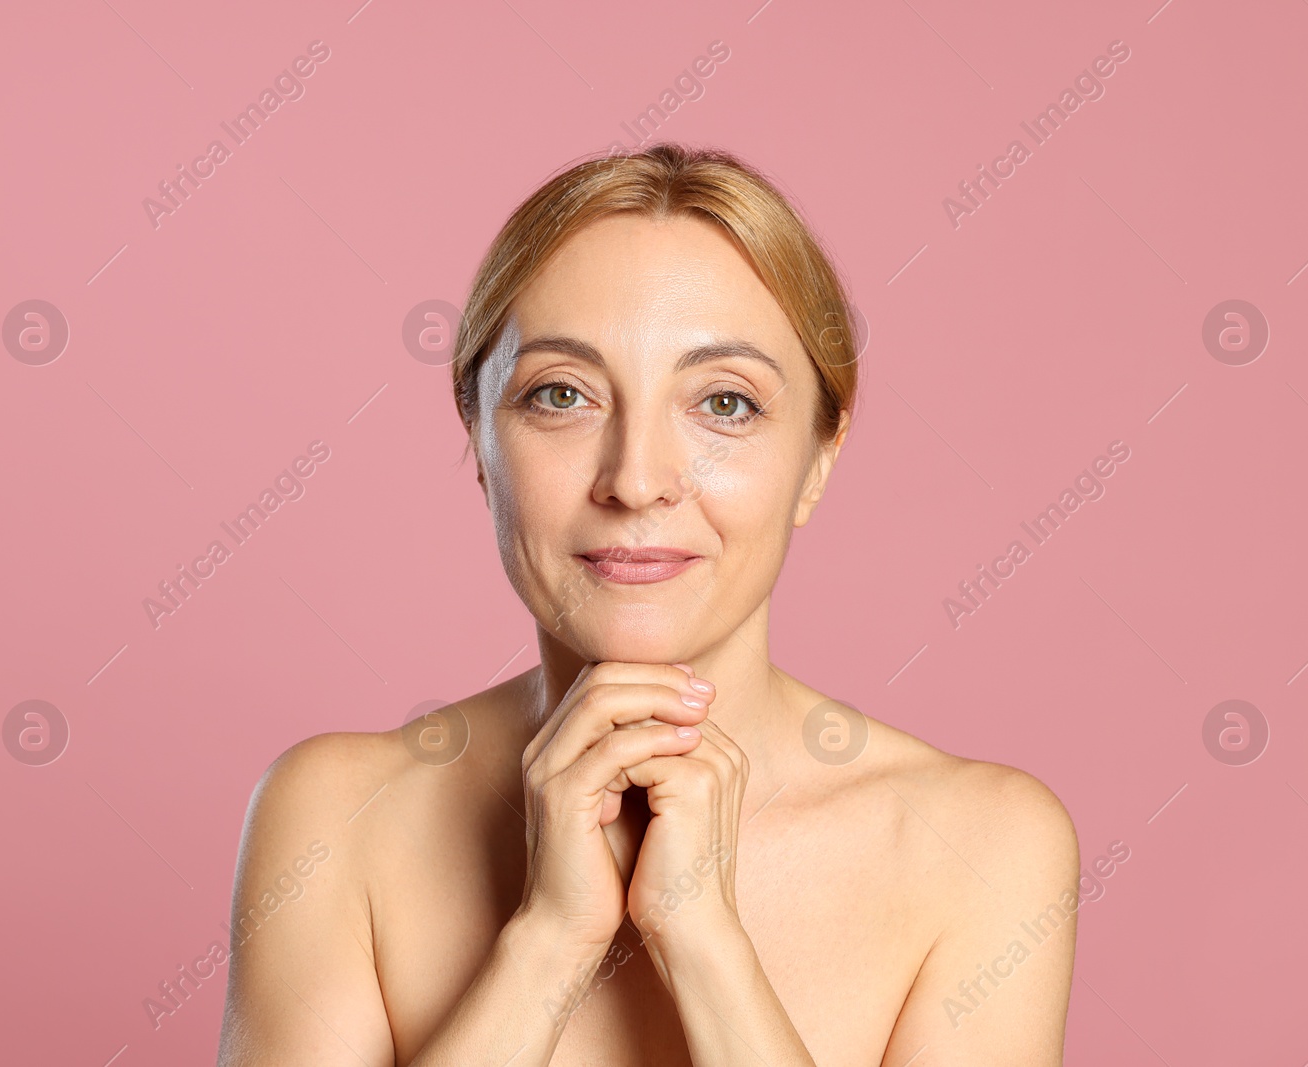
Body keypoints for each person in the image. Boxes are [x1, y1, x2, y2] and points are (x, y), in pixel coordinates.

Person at [216, 143, 1078, 1066]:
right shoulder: (334, 818)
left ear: (818, 459)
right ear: (477, 438)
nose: (636, 481)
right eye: (561, 394)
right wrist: (546, 944)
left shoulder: (982, 848)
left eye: (725, 404)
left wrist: (704, 943)